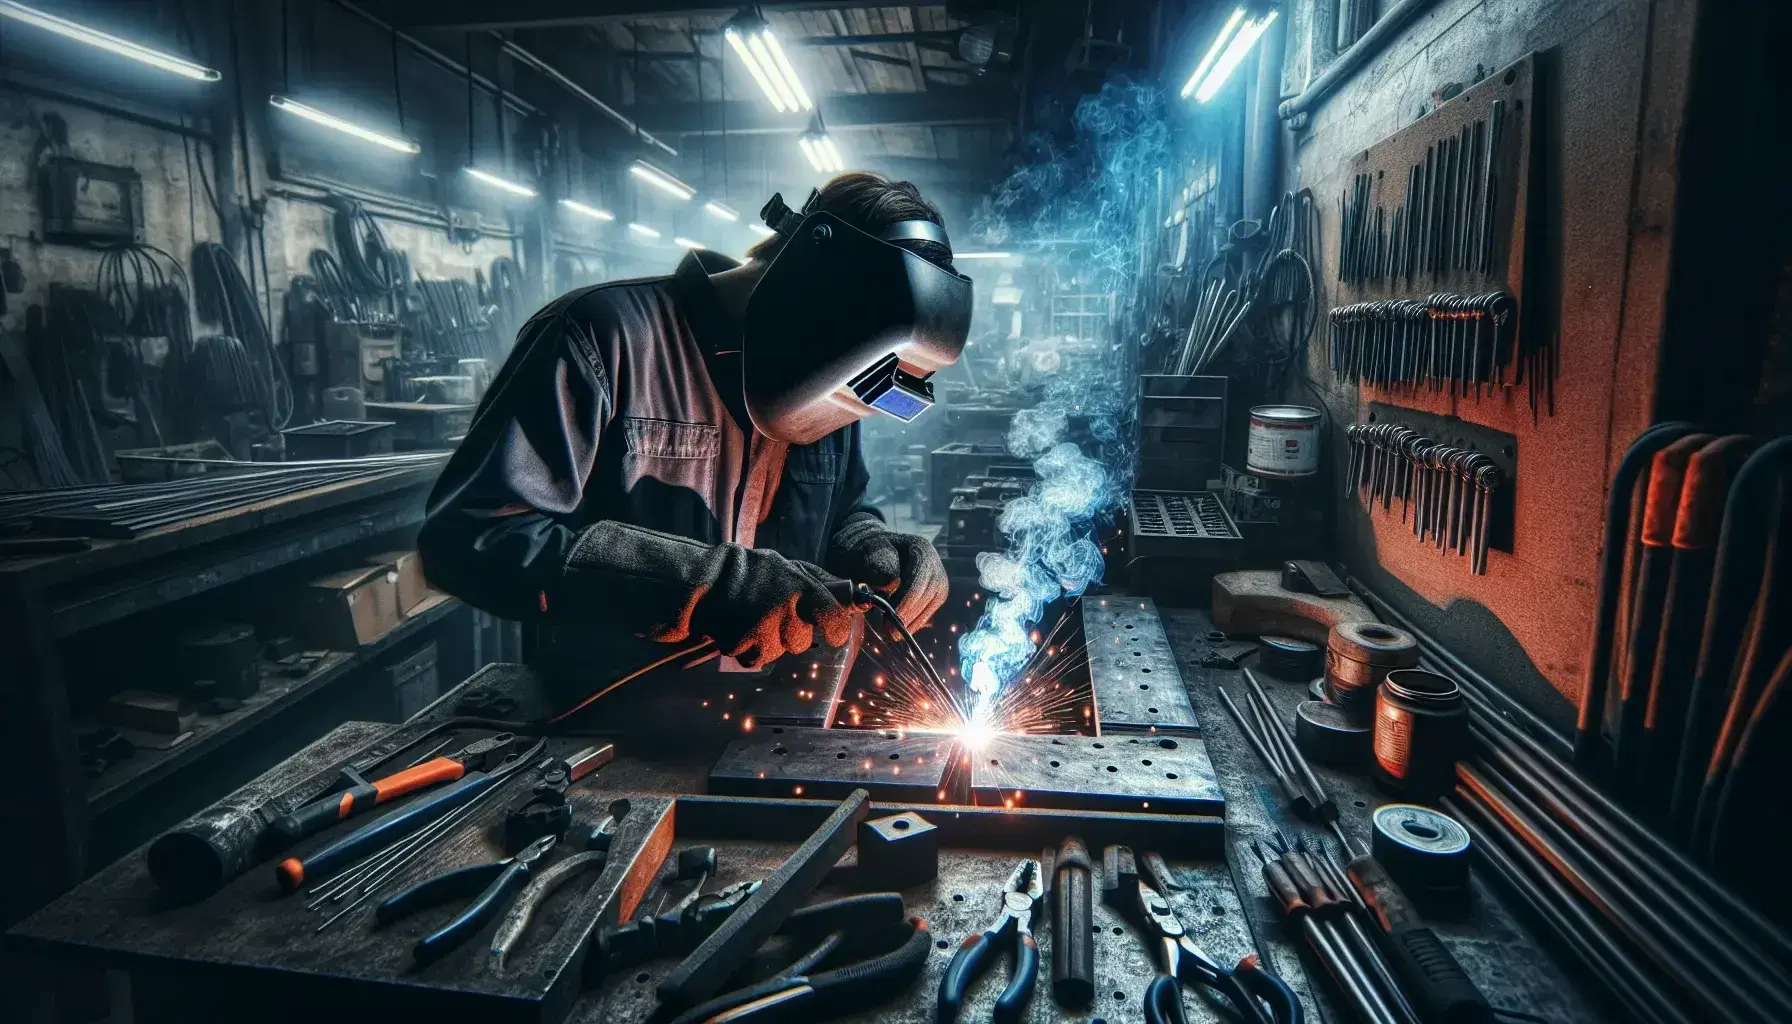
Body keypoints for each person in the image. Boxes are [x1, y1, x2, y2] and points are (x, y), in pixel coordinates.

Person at [418, 173, 970, 710]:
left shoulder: (835, 372)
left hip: (774, 713)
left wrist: (870, 550)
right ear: (811, 287)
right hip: (607, 720)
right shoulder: (603, 337)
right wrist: (702, 587)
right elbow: (469, 537)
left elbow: (841, 508)